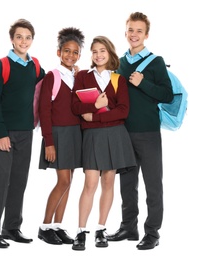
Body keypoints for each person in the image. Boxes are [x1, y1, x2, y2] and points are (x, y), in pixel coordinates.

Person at [106, 12, 174, 250]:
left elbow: (167, 95)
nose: (134, 35)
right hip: (124, 132)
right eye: (130, 30)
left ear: (146, 35)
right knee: (127, 183)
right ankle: (128, 227)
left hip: (148, 133)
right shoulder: (119, 63)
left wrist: (142, 82)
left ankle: (152, 233)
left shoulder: (155, 62)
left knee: (153, 184)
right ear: (125, 32)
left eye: (139, 31)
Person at [0, 18, 45, 248]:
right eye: (19, 37)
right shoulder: (3, 64)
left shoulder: (34, 66)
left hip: (25, 132)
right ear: (12, 39)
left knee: (19, 181)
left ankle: (11, 227)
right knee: (0, 181)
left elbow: (48, 83)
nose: (24, 41)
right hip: (4, 132)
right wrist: (0, 132)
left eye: (28, 37)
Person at [71, 36, 136, 251]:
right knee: (90, 183)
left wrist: (94, 116)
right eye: (95, 51)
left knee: (108, 182)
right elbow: (75, 107)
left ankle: (101, 229)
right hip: (92, 136)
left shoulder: (119, 80)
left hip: (114, 135)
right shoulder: (82, 76)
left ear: (110, 54)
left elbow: (123, 111)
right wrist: (93, 108)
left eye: (103, 51)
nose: (98, 55)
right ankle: (81, 231)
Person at [37, 27, 85, 245]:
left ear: (79, 55)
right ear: (59, 52)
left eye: (75, 52)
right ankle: (44, 227)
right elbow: (44, 111)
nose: (71, 56)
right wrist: (49, 142)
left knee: (69, 181)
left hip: (75, 134)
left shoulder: (78, 77)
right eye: (67, 51)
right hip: (58, 134)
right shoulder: (52, 77)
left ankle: (57, 225)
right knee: (63, 180)